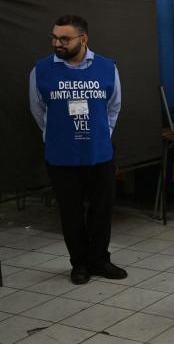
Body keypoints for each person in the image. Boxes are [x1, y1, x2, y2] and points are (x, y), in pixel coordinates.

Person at [29, 15, 127, 285]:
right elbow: (38, 109)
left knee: (102, 209)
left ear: (83, 39)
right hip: (62, 155)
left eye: (64, 38)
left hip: (99, 153)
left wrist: (102, 134)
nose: (57, 43)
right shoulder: (42, 69)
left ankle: (100, 259)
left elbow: (113, 106)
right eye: (54, 38)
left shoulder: (107, 67)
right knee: (70, 212)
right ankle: (80, 263)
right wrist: (55, 135)